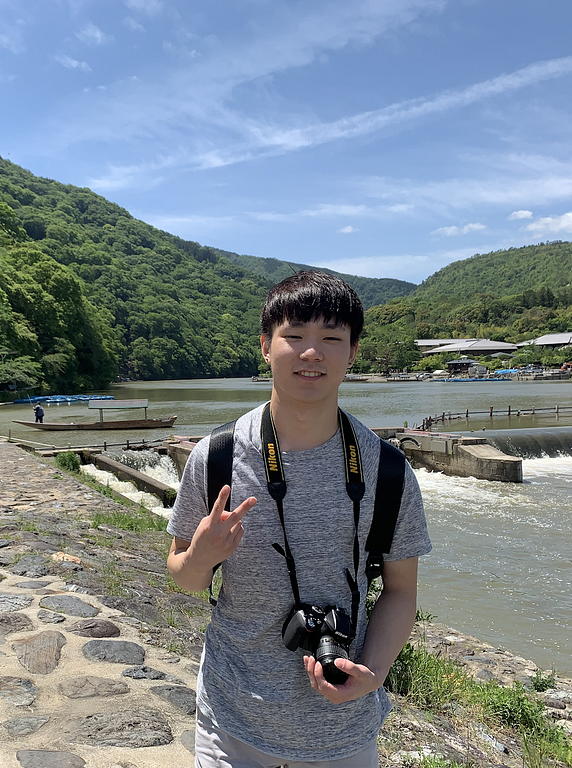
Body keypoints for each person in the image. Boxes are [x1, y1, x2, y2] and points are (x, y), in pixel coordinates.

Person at [167, 271, 431, 768]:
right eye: (294, 336)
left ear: (352, 353)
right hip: (232, 718)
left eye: (332, 339)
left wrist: (372, 671)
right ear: (266, 346)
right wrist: (200, 558)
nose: (312, 353)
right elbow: (182, 577)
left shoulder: (387, 470)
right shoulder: (217, 456)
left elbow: (400, 591)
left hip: (343, 726)